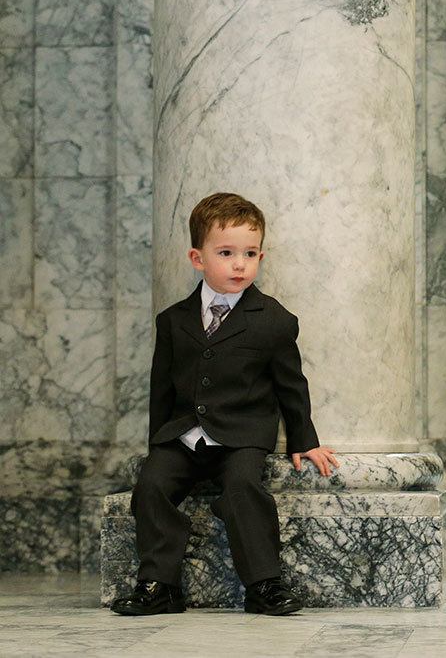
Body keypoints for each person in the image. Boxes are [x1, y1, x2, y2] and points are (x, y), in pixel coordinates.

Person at [111, 193, 339, 616]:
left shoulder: (273, 320)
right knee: (152, 487)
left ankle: (264, 584)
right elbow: (160, 387)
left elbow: (292, 385)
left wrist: (304, 439)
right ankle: (159, 585)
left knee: (243, 489)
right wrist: (157, 445)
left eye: (250, 254)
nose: (240, 264)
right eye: (227, 253)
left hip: (241, 437)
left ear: (261, 256)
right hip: (182, 436)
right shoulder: (173, 320)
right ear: (198, 258)